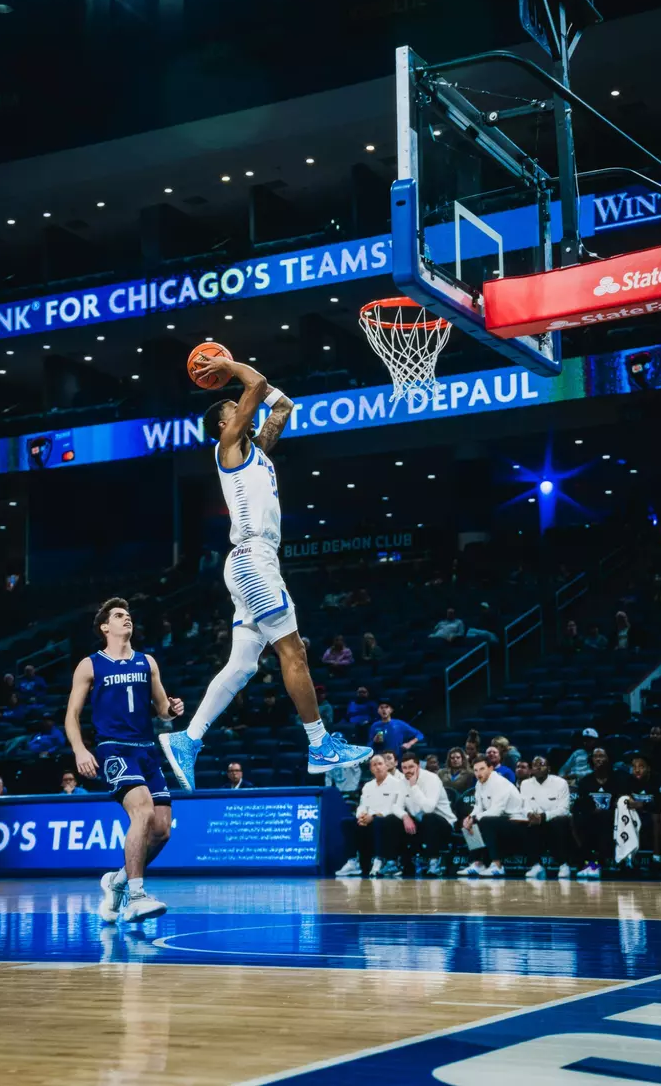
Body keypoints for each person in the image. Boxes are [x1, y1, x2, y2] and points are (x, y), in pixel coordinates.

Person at [159, 357, 370, 788]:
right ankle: (319, 743)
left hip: (253, 561)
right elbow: (255, 384)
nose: (243, 411)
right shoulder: (228, 448)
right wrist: (227, 362)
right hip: (252, 559)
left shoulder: (255, 450)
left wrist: (251, 384)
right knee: (294, 652)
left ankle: (187, 738)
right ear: (225, 426)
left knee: (242, 666)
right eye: (234, 410)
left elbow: (283, 405)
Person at [65, 597, 184, 923]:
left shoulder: (147, 662)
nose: (126, 618)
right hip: (114, 749)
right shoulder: (90, 664)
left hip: (146, 749)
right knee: (142, 812)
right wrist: (80, 750)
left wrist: (172, 709)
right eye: (118, 615)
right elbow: (71, 715)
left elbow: (162, 710)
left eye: (128, 615)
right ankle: (136, 896)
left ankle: (117, 881)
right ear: (105, 627)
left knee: (162, 830)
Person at [335, 753, 405, 879]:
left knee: (379, 821)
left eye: (380, 764)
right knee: (346, 822)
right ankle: (353, 862)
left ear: (386, 766)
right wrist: (361, 816)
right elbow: (362, 805)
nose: (378, 767)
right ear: (371, 769)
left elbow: (395, 807)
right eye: (374, 765)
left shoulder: (397, 784)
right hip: (369, 820)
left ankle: (379, 860)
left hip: (388, 820)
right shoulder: (368, 786)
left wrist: (373, 816)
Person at [458, 756, 524, 877]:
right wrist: (470, 818)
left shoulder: (500, 783)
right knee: (469, 822)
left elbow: (496, 811)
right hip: (498, 820)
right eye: (475, 770)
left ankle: (497, 865)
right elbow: (478, 807)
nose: (478, 773)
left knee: (485, 821)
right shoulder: (479, 784)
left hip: (516, 821)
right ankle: (477, 864)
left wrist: (475, 818)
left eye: (482, 769)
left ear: (491, 768)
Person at [398, 752, 456, 877]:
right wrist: (405, 816)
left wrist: (414, 787)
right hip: (420, 823)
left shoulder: (432, 779)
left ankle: (434, 861)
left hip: (443, 824)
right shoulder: (401, 781)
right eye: (404, 768)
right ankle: (403, 863)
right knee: (396, 819)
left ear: (418, 766)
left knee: (428, 818)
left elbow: (429, 808)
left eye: (411, 767)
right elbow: (396, 806)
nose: (408, 771)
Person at [519, 756, 577, 880]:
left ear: (549, 768)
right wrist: (529, 814)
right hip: (535, 819)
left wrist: (544, 816)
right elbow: (524, 806)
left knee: (559, 821)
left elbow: (564, 809)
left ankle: (563, 865)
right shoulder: (525, 784)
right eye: (535, 765)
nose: (538, 767)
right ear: (531, 769)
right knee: (525, 823)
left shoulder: (560, 783)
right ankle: (536, 865)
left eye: (542, 764)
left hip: (554, 818)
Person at [574, 747, 626, 879]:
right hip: (591, 819)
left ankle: (597, 864)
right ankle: (589, 864)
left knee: (603, 818)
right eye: (595, 756)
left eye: (601, 756)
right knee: (583, 821)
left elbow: (621, 802)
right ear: (591, 760)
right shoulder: (585, 781)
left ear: (608, 759)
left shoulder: (617, 780)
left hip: (613, 819)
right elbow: (581, 804)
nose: (598, 759)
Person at [626, 754, 661, 869]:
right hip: (636, 814)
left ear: (648, 768)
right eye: (634, 767)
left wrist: (642, 804)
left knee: (657, 816)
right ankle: (628, 857)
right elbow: (623, 798)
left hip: (654, 814)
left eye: (641, 766)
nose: (637, 770)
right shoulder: (628, 780)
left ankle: (658, 855)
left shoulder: (658, 780)